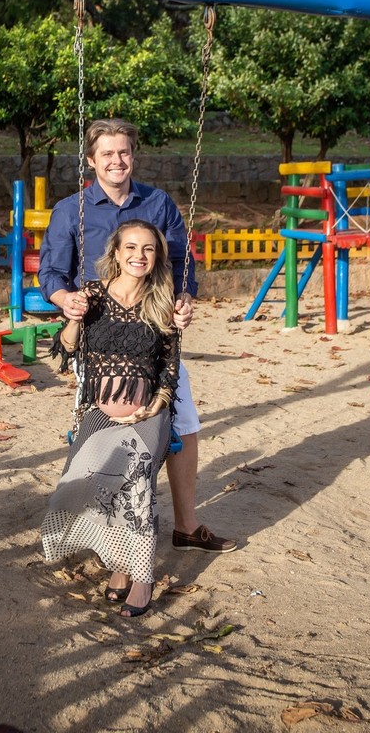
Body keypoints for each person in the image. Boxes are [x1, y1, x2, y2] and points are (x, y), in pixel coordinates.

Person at [39, 118, 237, 554]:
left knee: (183, 421)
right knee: (108, 424)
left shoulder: (158, 203)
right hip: (100, 335)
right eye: (107, 153)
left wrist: (183, 298)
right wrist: (66, 300)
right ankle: (103, 531)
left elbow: (182, 263)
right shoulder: (72, 210)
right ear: (91, 160)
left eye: (124, 151)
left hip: (152, 333)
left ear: (134, 155)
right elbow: (51, 272)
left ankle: (186, 527)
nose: (117, 160)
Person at [41, 220, 180, 617]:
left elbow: (170, 365)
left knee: (136, 476)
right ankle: (120, 564)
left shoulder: (163, 301)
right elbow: (67, 347)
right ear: (116, 253)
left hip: (148, 414)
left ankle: (142, 576)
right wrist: (74, 316)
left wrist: (157, 404)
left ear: (156, 257)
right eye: (131, 247)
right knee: (87, 478)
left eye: (148, 248)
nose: (139, 255)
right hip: (99, 412)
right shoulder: (93, 295)